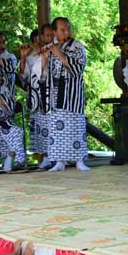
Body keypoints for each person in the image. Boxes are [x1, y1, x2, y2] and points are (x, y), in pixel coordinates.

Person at [41, 17, 90, 172]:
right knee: (57, 127)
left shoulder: (77, 47)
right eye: (62, 29)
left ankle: (79, 160)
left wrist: (60, 54)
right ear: (54, 32)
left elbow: (78, 69)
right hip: (56, 94)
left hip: (72, 94)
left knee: (76, 126)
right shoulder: (52, 47)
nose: (66, 32)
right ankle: (59, 161)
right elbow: (44, 73)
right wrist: (45, 57)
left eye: (68, 28)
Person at [19, 24, 54, 169]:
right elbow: (23, 76)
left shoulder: (53, 50)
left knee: (52, 124)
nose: (38, 43)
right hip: (36, 94)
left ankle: (57, 155)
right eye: (35, 41)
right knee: (40, 125)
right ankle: (43, 157)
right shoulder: (30, 56)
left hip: (51, 92)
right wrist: (23, 57)